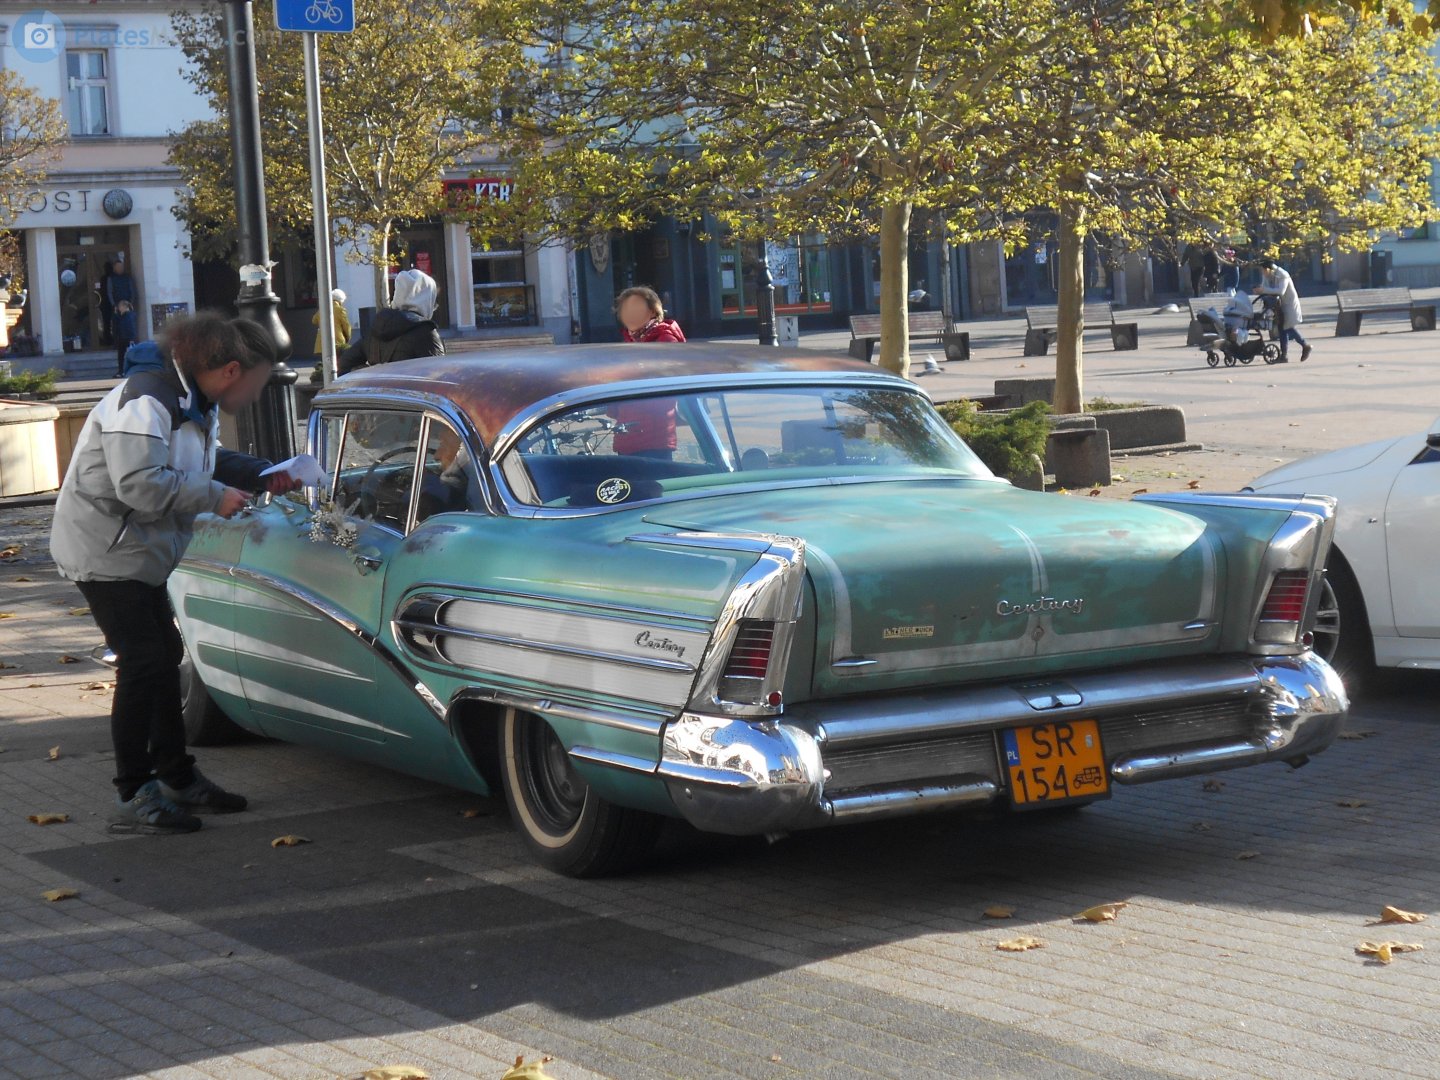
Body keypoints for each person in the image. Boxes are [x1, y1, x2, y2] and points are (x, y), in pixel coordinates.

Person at [50, 312, 300, 835]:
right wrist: (215, 496)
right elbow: (140, 484)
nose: (255, 397)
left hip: (138, 551)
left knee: (164, 659)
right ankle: (134, 794)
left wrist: (262, 472)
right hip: (107, 554)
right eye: (255, 384)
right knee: (145, 666)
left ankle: (176, 778)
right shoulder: (147, 399)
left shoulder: (188, 397)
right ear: (231, 370)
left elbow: (199, 462)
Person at [613, 286, 686, 459]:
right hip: (629, 432)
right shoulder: (633, 340)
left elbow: (662, 387)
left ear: (653, 311)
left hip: (652, 435)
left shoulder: (665, 340)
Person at [337, 268, 444, 374]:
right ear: (425, 298)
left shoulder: (376, 327)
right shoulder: (425, 332)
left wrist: (371, 376)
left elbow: (344, 364)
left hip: (381, 390)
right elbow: (439, 374)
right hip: (411, 391)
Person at [1253, 258, 1311, 362]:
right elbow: (1264, 287)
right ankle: (1284, 355)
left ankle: (1304, 345)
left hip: (1288, 304)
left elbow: (1281, 291)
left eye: (1263, 270)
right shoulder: (1267, 275)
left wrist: (1264, 290)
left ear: (1268, 269)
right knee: (1282, 329)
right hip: (1278, 306)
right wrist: (1260, 291)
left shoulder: (1283, 274)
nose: (1262, 273)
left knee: (1287, 327)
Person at [311, 288, 352, 356]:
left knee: (324, 364)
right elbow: (346, 326)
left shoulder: (323, 309)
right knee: (338, 363)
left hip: (322, 343)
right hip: (337, 342)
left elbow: (314, 320)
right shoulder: (341, 310)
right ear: (340, 300)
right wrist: (348, 337)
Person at [112, 299, 137, 377]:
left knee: (126, 355)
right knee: (121, 355)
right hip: (122, 338)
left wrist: (132, 339)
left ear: (124, 307)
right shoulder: (123, 316)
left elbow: (130, 327)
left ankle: (124, 370)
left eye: (120, 306)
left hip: (127, 338)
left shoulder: (129, 316)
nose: (119, 308)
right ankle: (121, 371)